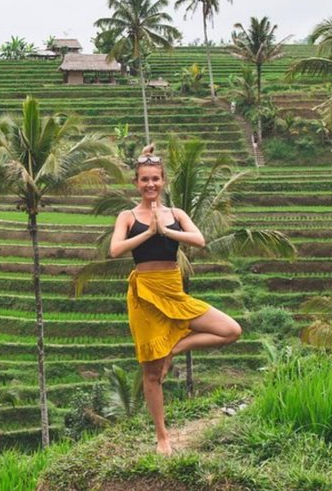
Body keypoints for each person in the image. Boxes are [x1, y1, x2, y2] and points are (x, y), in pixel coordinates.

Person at [108, 143, 243, 455]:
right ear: (136, 183)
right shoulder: (127, 216)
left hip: (173, 289)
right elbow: (115, 249)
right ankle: (162, 437)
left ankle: (175, 348)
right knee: (151, 374)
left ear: (163, 180)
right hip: (144, 295)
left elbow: (199, 239)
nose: (150, 184)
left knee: (231, 330)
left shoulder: (177, 214)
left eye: (155, 179)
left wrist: (167, 231)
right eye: (144, 179)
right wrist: (148, 231)